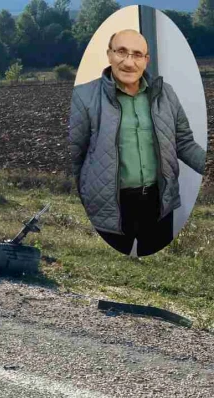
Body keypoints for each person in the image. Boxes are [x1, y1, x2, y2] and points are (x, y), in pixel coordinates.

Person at [68, 29, 206, 256]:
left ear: (146, 60)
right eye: (121, 52)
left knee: (157, 272)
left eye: (137, 54)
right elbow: (74, 157)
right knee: (110, 279)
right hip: (109, 206)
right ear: (109, 54)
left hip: (159, 203)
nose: (129, 62)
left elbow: (184, 143)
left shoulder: (166, 94)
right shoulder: (84, 97)